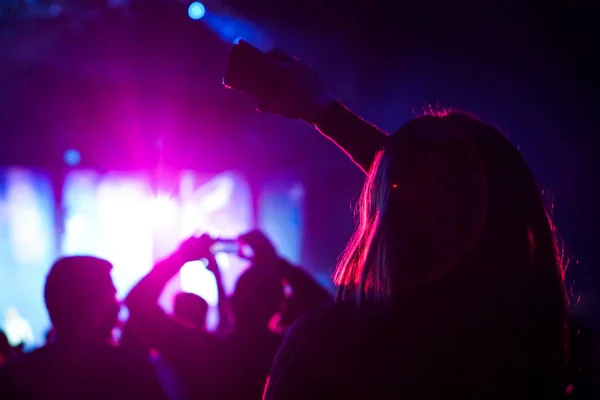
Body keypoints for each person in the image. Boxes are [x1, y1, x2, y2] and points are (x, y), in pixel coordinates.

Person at [241, 50, 568, 398]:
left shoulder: (329, 347)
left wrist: (322, 111)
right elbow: (444, 195)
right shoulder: (531, 355)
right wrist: (322, 111)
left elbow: (421, 186)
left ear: (397, 226)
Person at [0, 256, 167, 400]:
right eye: (112, 297)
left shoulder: (15, 374)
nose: (118, 305)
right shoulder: (129, 370)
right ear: (94, 306)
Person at [221, 230, 332, 400]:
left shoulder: (214, 349)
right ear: (278, 303)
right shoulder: (290, 351)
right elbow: (326, 307)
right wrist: (275, 261)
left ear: (234, 301)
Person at [125, 235, 228, 400]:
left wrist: (181, 256)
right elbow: (226, 327)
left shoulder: (174, 343)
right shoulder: (214, 348)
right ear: (204, 316)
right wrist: (216, 274)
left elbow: (137, 299)